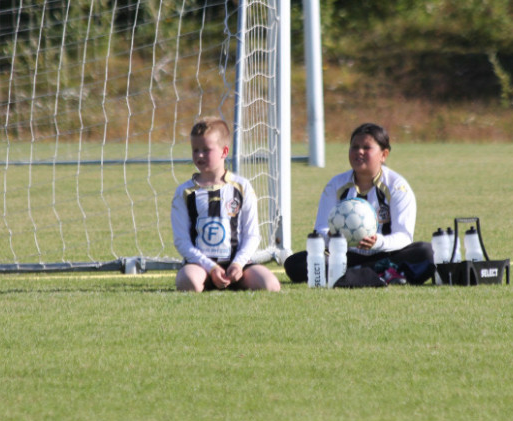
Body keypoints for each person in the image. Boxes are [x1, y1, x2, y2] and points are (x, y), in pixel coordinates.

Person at [283, 123, 435, 285]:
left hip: (386, 255)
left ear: (384, 154)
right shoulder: (335, 185)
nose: (359, 152)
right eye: (354, 147)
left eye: (366, 148)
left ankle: (349, 275)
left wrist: (378, 242)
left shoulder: (397, 187)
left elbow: (404, 237)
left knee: (427, 252)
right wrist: (332, 238)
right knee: (295, 263)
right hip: (343, 256)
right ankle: (378, 274)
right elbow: (320, 230)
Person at [171, 117, 281, 292]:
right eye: (195, 150)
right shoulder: (184, 192)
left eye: (206, 150)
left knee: (270, 285)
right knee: (188, 282)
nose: (199, 155)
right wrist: (211, 267)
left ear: (224, 151)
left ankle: (235, 279)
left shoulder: (242, 187)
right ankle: (207, 280)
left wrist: (238, 264)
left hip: (238, 265)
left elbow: (252, 235)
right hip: (201, 267)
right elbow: (181, 242)